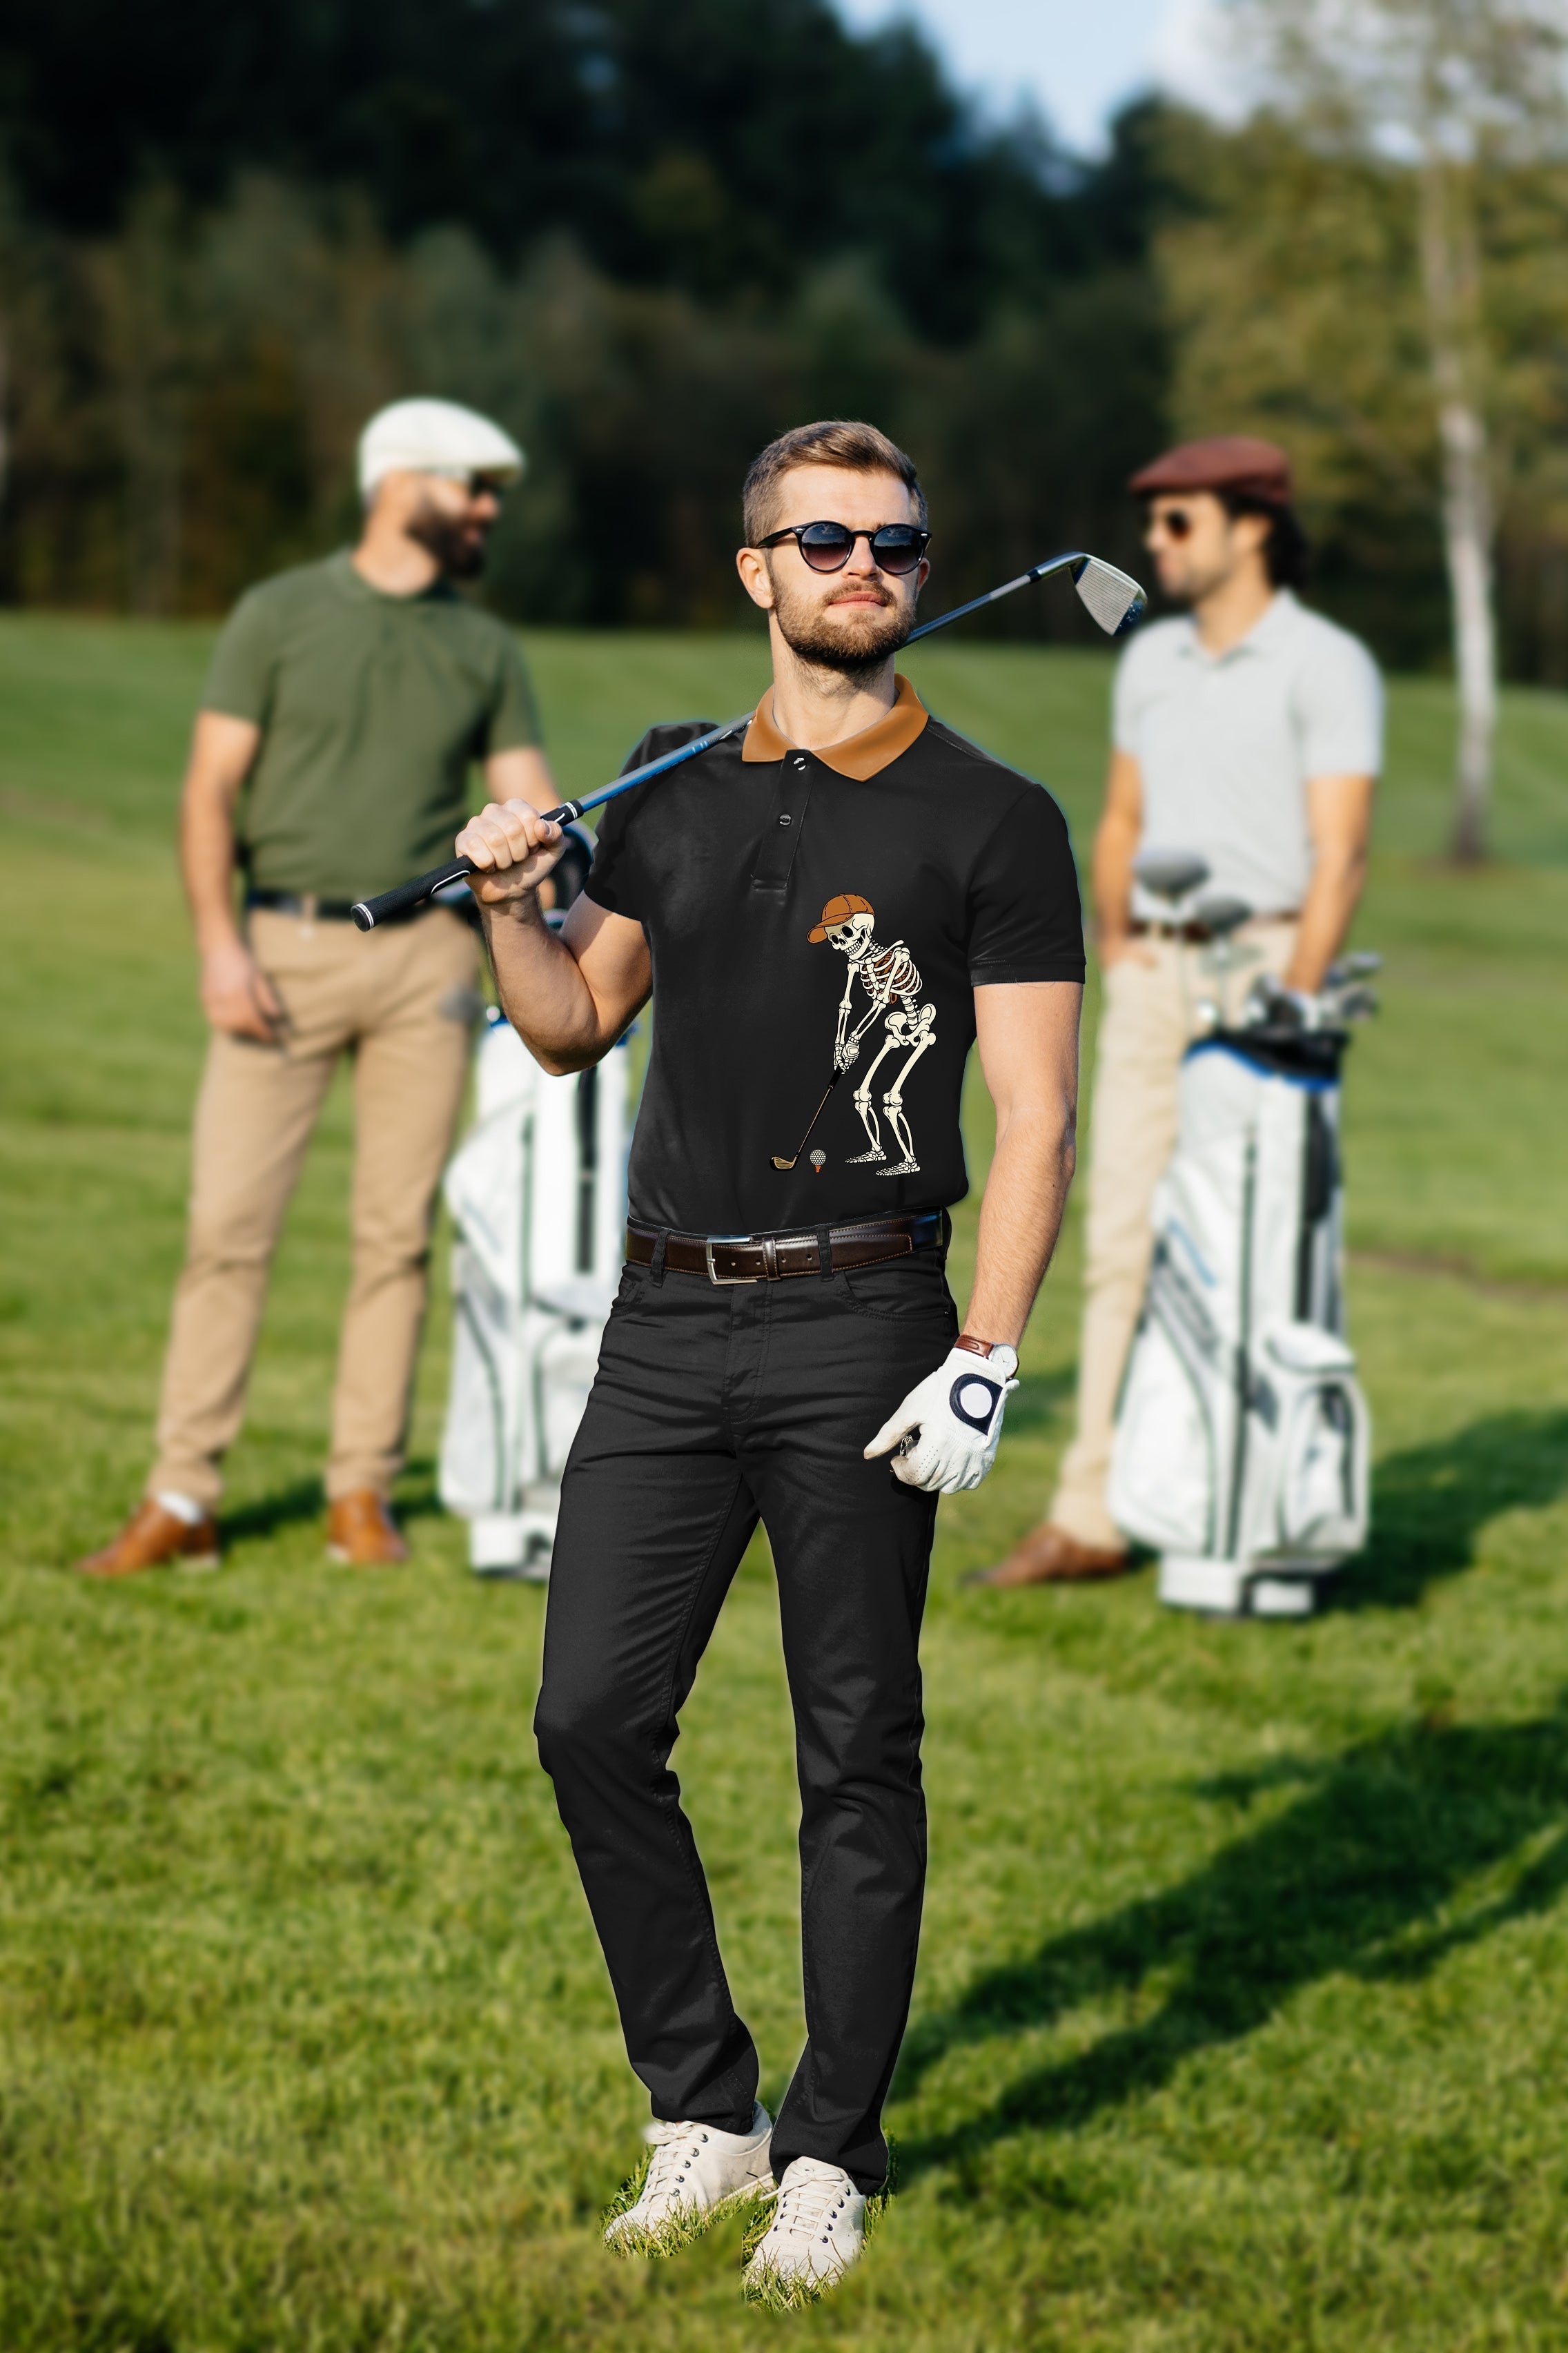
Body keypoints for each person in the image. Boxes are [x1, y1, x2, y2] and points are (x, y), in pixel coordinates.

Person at [452, 419, 1084, 2302]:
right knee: (587, 1716)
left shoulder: (994, 817)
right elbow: (570, 1025)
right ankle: (703, 2108)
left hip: (866, 1317)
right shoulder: (666, 786)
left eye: (893, 540)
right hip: (663, 1320)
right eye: (823, 540)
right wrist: (508, 899)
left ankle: (828, 2152)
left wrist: (988, 1352)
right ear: (760, 574)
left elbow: (1039, 1114)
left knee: (853, 1749)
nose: (863, 566)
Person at [77, 398, 556, 1577]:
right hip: (278, 950)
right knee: (226, 1230)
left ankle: (360, 1496)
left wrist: (558, 867)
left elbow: (535, 800)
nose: (489, 508)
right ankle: (183, 1494)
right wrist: (217, 947)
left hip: (430, 966)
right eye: (472, 486)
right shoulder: (277, 614)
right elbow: (208, 792)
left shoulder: (484, 645)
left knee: (394, 1238)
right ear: (400, 484)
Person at [975, 433, 1382, 1589]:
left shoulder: (1326, 662)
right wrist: (1122, 943)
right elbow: (1121, 819)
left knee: (1252, 1249)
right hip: (1154, 973)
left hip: (1265, 972)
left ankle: (1246, 1507)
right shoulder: (1149, 662)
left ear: (1254, 524)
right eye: (1151, 523)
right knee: (1118, 1245)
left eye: (1179, 522)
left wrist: (1294, 1003)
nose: (1155, 544)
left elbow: (1341, 854)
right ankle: (1094, 1510)